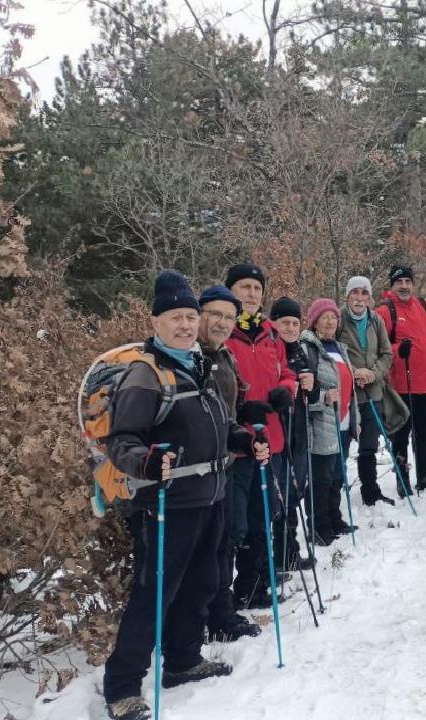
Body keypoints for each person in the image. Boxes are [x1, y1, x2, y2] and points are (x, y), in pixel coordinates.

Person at [103, 271, 269, 720]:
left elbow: (220, 425)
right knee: (154, 593)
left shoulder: (199, 364)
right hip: (167, 503)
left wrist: (242, 440)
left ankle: (182, 660)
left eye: (189, 317)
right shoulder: (146, 373)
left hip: (210, 494)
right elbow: (121, 441)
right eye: (175, 317)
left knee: (201, 583)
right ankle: (121, 687)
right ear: (156, 321)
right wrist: (146, 460)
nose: (184, 325)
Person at [223, 262, 297, 609]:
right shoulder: (223, 332)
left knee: (264, 515)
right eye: (244, 288)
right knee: (237, 524)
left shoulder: (270, 333)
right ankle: (224, 597)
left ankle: (254, 586)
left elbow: (287, 373)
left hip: (271, 438)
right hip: (237, 445)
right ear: (231, 292)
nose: (251, 294)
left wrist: (287, 389)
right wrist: (240, 410)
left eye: (256, 288)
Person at [195, 285, 261, 643]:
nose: (222, 323)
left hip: (226, 462)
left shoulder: (223, 356)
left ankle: (220, 613)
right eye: (214, 315)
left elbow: (227, 407)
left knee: (224, 540)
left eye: (229, 317)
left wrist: (250, 414)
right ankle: (202, 618)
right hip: (196, 471)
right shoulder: (191, 357)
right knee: (209, 546)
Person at [337, 275, 415, 500]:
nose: (359, 298)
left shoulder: (375, 320)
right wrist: (353, 374)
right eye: (355, 293)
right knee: (341, 445)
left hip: (373, 391)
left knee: (369, 445)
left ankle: (370, 491)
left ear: (370, 297)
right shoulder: (338, 319)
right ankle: (333, 492)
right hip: (347, 394)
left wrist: (373, 373)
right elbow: (331, 353)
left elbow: (386, 353)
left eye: (364, 293)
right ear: (348, 295)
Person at [378, 265, 426, 497]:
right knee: (401, 434)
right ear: (392, 285)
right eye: (399, 282)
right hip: (401, 384)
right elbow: (380, 347)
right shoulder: (385, 311)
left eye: (408, 281)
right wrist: (398, 349)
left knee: (423, 431)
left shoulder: (423, 306)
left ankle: (424, 475)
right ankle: (402, 477)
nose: (404, 286)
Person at [299, 298, 361, 544]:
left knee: (337, 475)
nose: (330, 321)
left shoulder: (340, 348)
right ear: (314, 321)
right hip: (321, 424)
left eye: (334, 317)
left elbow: (348, 386)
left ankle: (335, 519)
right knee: (320, 479)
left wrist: (355, 417)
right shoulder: (307, 349)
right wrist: (323, 397)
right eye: (324, 317)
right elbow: (304, 391)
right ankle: (318, 527)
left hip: (343, 421)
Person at [269, 296, 314, 574]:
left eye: (295, 322)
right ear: (273, 323)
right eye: (284, 322)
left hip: (298, 434)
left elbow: (313, 393)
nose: (290, 327)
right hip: (276, 434)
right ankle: (277, 556)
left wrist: (313, 385)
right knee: (278, 498)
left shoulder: (299, 351)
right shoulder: (269, 350)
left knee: (295, 493)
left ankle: (290, 551)